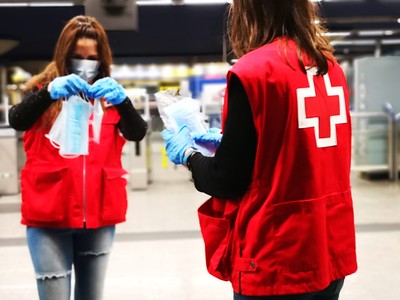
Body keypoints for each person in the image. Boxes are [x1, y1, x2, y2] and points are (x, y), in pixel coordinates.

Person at [161, 0, 357, 299]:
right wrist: (234, 141)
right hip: (329, 247)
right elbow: (295, 150)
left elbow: (227, 179)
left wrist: (189, 154)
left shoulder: (253, 71)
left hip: (277, 255)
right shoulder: (329, 67)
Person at [8, 15, 147, 300]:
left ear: (102, 58)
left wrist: (124, 102)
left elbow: (136, 132)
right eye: (76, 56)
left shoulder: (108, 97)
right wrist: (49, 92)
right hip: (48, 216)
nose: (85, 63)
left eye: (92, 57)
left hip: (99, 216)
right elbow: (17, 120)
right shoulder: (42, 91)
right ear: (64, 54)